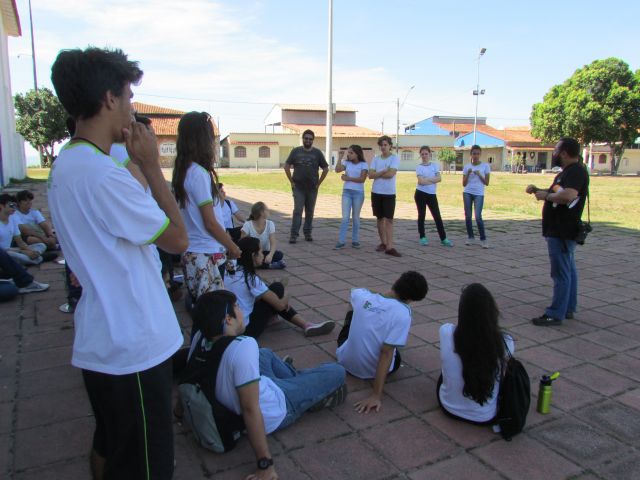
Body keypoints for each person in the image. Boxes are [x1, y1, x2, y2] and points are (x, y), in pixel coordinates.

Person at [49, 47, 188, 479]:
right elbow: (178, 240)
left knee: (110, 442)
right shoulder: (101, 176)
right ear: (109, 99)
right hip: (135, 343)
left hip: (102, 339)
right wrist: (151, 164)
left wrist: (132, 161)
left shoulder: (71, 163)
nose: (131, 107)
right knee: (146, 464)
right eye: (128, 96)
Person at [188, 290, 347, 480]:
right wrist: (265, 464)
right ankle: (306, 392)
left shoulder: (200, 338)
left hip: (257, 386)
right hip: (277, 405)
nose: (242, 311)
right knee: (336, 371)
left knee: (264, 354)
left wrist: (179, 413)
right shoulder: (243, 346)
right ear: (228, 319)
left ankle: (299, 381)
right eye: (237, 307)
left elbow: (188, 379)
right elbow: (250, 408)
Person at [172, 111, 241, 301]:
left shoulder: (184, 170)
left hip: (196, 252)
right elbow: (210, 223)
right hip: (205, 253)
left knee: (204, 311)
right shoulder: (199, 174)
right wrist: (232, 246)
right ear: (202, 139)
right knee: (213, 315)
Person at [336, 271, 428, 413]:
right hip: (371, 370)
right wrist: (375, 395)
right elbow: (386, 353)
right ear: (410, 299)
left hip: (344, 359)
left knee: (353, 305)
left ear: (397, 281)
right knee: (391, 347)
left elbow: (353, 291)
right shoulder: (403, 312)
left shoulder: (363, 296)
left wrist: (378, 299)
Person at [526, 137, 589, 326]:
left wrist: (545, 196)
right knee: (568, 269)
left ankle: (556, 312)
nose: (554, 154)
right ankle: (567, 307)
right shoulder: (568, 172)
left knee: (561, 272)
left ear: (563, 153)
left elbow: (568, 196)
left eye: (556, 151)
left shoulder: (576, 171)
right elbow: (558, 191)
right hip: (559, 229)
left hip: (562, 230)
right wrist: (539, 190)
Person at [226, 237, 335, 338]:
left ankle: (305, 325)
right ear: (252, 256)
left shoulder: (230, 268)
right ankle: (306, 325)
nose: (263, 255)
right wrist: (286, 293)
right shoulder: (251, 279)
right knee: (278, 289)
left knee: (270, 294)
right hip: (245, 331)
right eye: (260, 252)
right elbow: (281, 306)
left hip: (228, 327)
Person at [437, 283, 514, 424]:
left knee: (450, 364)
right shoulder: (506, 342)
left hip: (449, 407)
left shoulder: (446, 331)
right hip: (484, 416)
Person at [284, 129, 329, 243]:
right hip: (298, 187)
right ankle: (293, 235)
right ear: (302, 139)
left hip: (312, 188)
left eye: (310, 139)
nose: (308, 140)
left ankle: (308, 233)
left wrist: (318, 183)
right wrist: (291, 181)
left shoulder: (317, 153)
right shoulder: (295, 151)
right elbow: (286, 166)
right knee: (298, 211)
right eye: (306, 138)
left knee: (310, 211)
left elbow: (325, 168)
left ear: (313, 140)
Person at [414, 146, 453, 247]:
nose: (424, 156)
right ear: (420, 155)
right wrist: (432, 179)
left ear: (429, 154)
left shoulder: (434, 166)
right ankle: (422, 237)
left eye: (426, 154)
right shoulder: (419, 167)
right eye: (422, 154)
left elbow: (439, 179)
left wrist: (426, 180)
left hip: (431, 195)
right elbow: (420, 182)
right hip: (420, 193)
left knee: (437, 216)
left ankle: (443, 238)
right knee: (421, 215)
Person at [369, 135, 401, 257]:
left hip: (389, 193)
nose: (383, 147)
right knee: (379, 218)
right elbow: (370, 175)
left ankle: (390, 246)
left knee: (389, 220)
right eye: (381, 145)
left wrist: (377, 174)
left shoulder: (394, 158)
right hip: (376, 192)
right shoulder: (376, 159)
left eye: (385, 145)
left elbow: (391, 174)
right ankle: (383, 243)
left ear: (390, 146)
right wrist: (383, 171)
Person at [334, 145, 368, 250]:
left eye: (351, 153)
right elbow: (337, 170)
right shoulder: (346, 163)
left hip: (358, 193)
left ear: (357, 154)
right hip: (347, 192)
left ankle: (355, 240)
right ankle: (341, 241)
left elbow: (362, 179)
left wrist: (347, 178)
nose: (348, 154)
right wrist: (340, 157)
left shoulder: (364, 164)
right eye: (348, 152)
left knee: (356, 218)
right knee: (345, 217)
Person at [0, 194, 47, 266]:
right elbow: (2, 250)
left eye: (15, 206)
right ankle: (38, 259)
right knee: (10, 254)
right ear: (1, 206)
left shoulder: (12, 218)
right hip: (3, 253)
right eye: (11, 205)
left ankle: (32, 257)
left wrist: (30, 251)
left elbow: (20, 242)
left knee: (41, 245)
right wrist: (22, 251)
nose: (14, 208)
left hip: (12, 250)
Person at [240, 202, 285, 269]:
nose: (268, 211)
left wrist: (270, 255)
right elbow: (242, 245)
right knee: (245, 259)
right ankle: (269, 265)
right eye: (266, 209)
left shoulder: (270, 224)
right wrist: (254, 256)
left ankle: (259, 264)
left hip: (265, 253)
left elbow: (273, 243)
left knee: (279, 254)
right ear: (262, 213)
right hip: (253, 254)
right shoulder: (247, 225)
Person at [462, 145, 491, 248]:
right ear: (471, 154)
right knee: (468, 216)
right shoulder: (467, 167)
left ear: (480, 154)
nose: (476, 155)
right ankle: (470, 237)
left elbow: (487, 182)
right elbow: (463, 184)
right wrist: (468, 174)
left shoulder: (485, 166)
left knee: (478, 216)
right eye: (474, 153)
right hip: (467, 192)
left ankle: (483, 239)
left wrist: (479, 174)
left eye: (478, 153)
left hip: (479, 193)